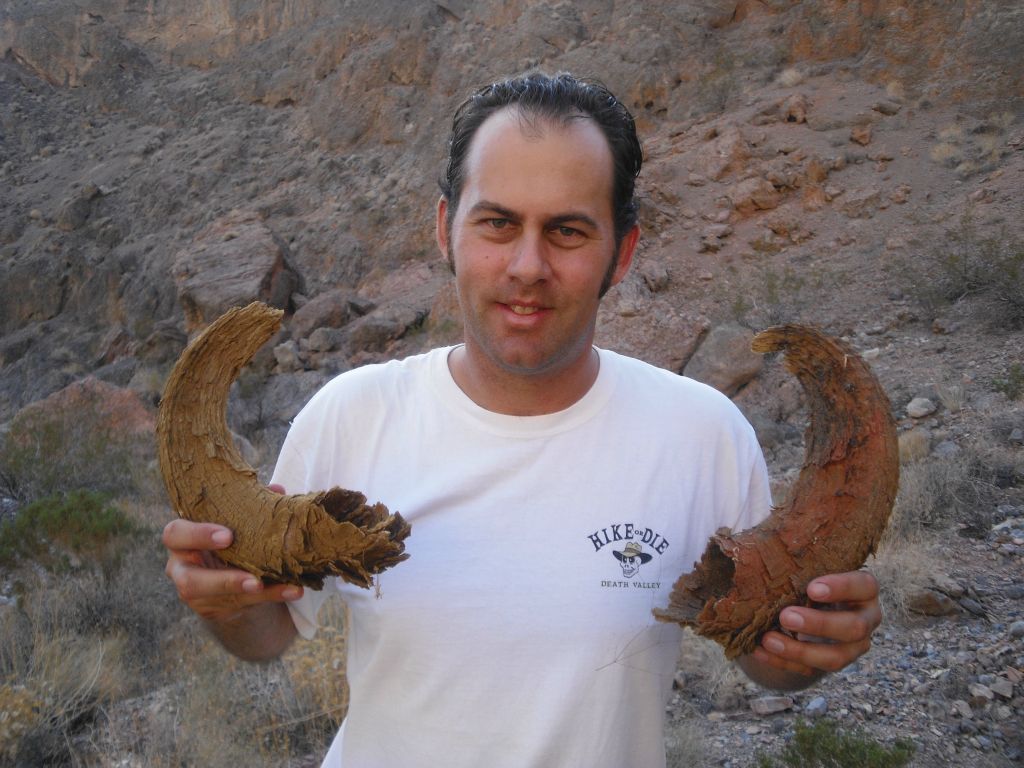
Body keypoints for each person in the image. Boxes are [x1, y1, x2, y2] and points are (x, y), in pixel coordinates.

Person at [163, 72, 882, 767]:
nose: (528, 266)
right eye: (498, 224)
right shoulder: (351, 415)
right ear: (447, 229)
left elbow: (765, 649)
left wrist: (803, 652)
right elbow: (269, 630)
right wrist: (224, 600)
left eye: (567, 231)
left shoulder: (703, 434)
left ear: (621, 253)